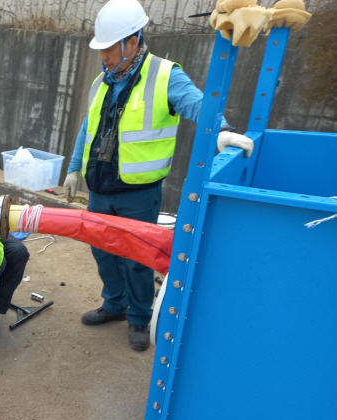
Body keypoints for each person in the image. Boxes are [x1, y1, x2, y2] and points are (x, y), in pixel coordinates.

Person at [61, 0, 253, 352]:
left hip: (138, 193)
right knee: (103, 251)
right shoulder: (101, 82)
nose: (102, 55)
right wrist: (74, 169)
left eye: (108, 47)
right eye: (100, 47)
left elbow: (197, 102)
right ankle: (114, 305)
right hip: (100, 187)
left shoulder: (165, 75)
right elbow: (87, 127)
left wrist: (221, 129)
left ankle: (138, 318)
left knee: (137, 258)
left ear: (132, 42)